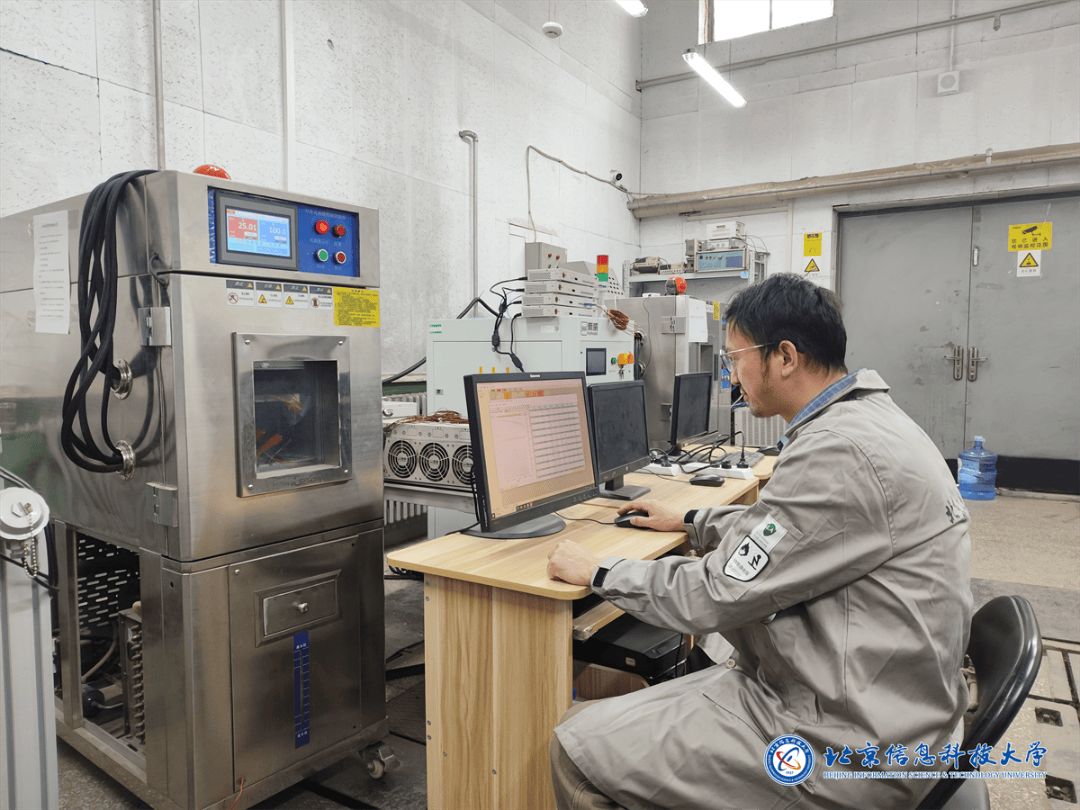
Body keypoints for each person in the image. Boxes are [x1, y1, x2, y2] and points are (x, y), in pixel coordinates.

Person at [546, 273, 973, 810]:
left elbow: (716, 593)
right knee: (658, 688)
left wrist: (599, 572)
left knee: (575, 749)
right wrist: (692, 520)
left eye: (735, 358)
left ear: (785, 357)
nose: (731, 374)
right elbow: (794, 533)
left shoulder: (837, 450)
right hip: (890, 707)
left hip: (847, 744)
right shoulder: (868, 421)